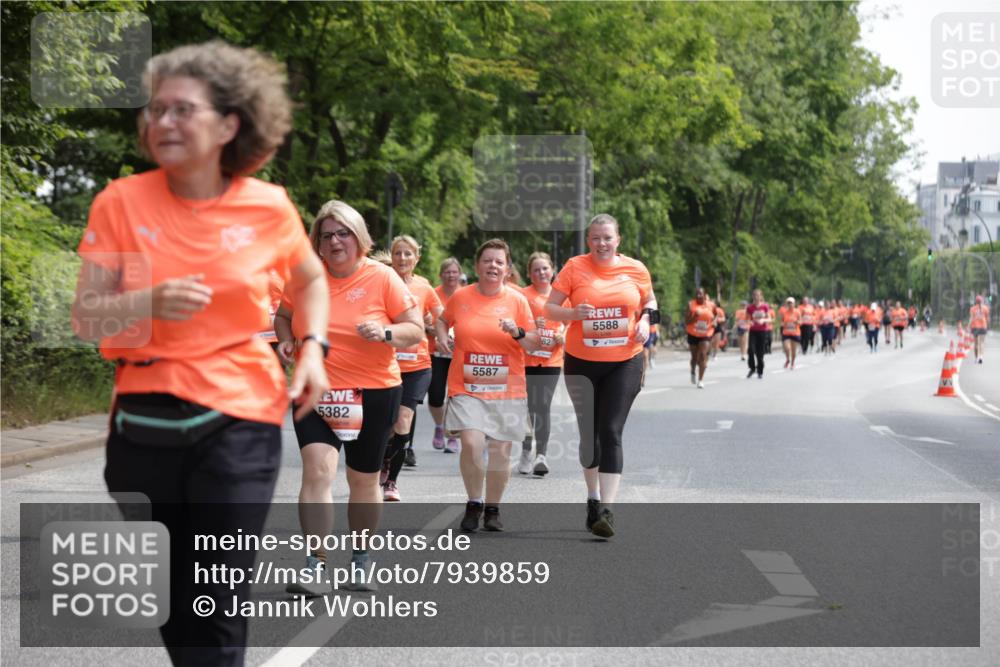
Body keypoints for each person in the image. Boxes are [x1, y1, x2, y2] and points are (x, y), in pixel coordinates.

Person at [71, 41, 329, 667]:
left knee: (217, 592)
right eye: (154, 110)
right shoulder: (121, 202)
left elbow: (310, 280)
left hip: (239, 416)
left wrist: (314, 351)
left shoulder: (266, 206)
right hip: (144, 422)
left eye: (182, 109)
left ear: (228, 124)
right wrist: (148, 301)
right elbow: (85, 318)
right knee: (175, 598)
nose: (162, 123)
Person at [276, 200, 423, 594]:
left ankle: (360, 560)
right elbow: (283, 316)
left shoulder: (383, 277)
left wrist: (386, 333)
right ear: (318, 243)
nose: (335, 241)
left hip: (374, 392)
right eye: (327, 236)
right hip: (316, 391)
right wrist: (288, 342)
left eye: (343, 233)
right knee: (317, 471)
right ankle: (315, 565)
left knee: (363, 480)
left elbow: (415, 329)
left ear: (359, 238)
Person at [546, 214, 657, 538]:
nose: (601, 243)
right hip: (582, 362)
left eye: (607, 237)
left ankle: (607, 509)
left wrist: (645, 322)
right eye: (595, 238)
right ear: (588, 241)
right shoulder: (574, 267)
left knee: (610, 430)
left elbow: (650, 301)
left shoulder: (635, 269)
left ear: (618, 239)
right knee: (589, 436)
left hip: (625, 361)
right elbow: (549, 309)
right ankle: (593, 499)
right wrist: (572, 313)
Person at [436, 239, 540, 532]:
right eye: (487, 261)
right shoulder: (461, 297)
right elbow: (443, 320)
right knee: (471, 443)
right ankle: (474, 501)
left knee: (500, 451)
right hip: (466, 386)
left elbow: (534, 343)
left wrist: (517, 331)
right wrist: (443, 336)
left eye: (499, 262)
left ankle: (492, 509)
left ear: (507, 269)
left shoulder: (518, 300)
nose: (493, 265)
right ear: (477, 265)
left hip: (507, 389)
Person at [380, 235, 443, 500]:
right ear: (391, 256)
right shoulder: (380, 282)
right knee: (385, 425)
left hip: (418, 365)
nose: (403, 259)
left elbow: (442, 316)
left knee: (404, 419)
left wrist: (439, 333)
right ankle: (383, 460)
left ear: (417, 258)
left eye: (408, 254)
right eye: (398, 253)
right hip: (384, 364)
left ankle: (392, 482)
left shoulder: (424, 287)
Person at [518, 252, 566, 477]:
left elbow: (571, 322)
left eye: (545, 268)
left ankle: (541, 455)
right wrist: (529, 326)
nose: (541, 273)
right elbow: (513, 322)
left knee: (543, 406)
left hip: (550, 359)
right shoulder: (522, 295)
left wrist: (563, 334)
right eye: (536, 269)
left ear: (552, 269)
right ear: (530, 273)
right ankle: (526, 450)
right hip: (525, 358)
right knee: (528, 408)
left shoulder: (560, 295)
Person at [427, 257, 463, 454]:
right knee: (435, 396)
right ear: (441, 275)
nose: (451, 275)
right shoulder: (433, 294)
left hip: (460, 353)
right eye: (447, 272)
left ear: (460, 274)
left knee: (456, 396)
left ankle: (451, 434)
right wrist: (436, 332)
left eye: (454, 272)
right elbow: (423, 322)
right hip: (437, 352)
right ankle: (439, 426)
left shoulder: (465, 295)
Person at [685, 287, 715, 388]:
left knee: (702, 355)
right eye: (697, 294)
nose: (698, 296)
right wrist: (694, 317)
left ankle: (700, 380)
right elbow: (687, 321)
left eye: (700, 294)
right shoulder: (691, 305)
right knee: (694, 358)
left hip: (706, 334)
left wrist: (714, 322)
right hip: (693, 333)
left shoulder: (711, 305)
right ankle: (693, 371)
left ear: (704, 294)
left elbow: (716, 315)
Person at [746, 289, 772, 378]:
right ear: (753, 296)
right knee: (750, 350)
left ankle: (760, 371)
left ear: (761, 296)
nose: (756, 297)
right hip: (753, 331)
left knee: (760, 353)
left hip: (762, 331)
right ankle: (752, 368)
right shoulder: (750, 307)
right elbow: (747, 319)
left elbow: (770, 319)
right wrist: (749, 322)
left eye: (758, 295)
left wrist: (763, 320)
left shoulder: (765, 307)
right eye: (755, 295)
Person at [779, 297, 801, 370]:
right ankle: (788, 359)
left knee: (793, 351)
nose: (790, 304)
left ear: (794, 304)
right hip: (786, 333)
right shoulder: (784, 312)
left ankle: (792, 363)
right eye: (788, 303)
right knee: (787, 348)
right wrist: (783, 324)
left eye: (791, 303)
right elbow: (782, 321)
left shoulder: (797, 312)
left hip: (795, 333)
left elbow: (801, 322)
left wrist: (796, 322)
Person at [969, 295, 990, 364]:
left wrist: (968, 326)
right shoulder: (986, 308)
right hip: (983, 326)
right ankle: (981, 357)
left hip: (975, 327)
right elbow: (987, 318)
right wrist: (988, 326)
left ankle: (976, 358)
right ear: (981, 301)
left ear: (976, 301)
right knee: (981, 343)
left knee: (976, 343)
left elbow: (971, 318)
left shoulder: (972, 309)